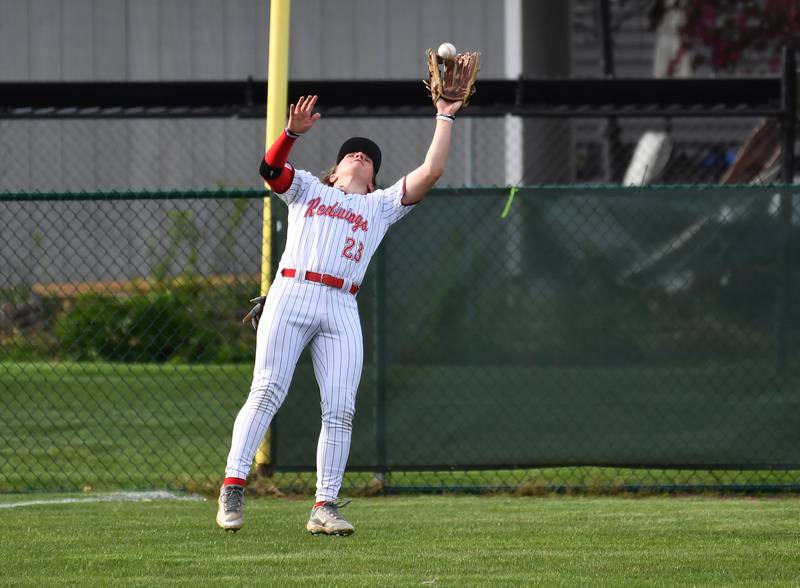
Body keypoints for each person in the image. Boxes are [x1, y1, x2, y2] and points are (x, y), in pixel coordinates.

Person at [216, 93, 462, 535]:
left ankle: (324, 505)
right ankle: (234, 485)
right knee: (268, 389)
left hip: (341, 305)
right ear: (334, 170)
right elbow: (270, 170)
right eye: (352, 150)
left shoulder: (380, 206)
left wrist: (444, 115)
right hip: (291, 291)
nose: (360, 154)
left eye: (368, 157)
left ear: (372, 180)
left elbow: (432, 172)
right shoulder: (308, 188)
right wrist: (291, 134)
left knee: (341, 409)